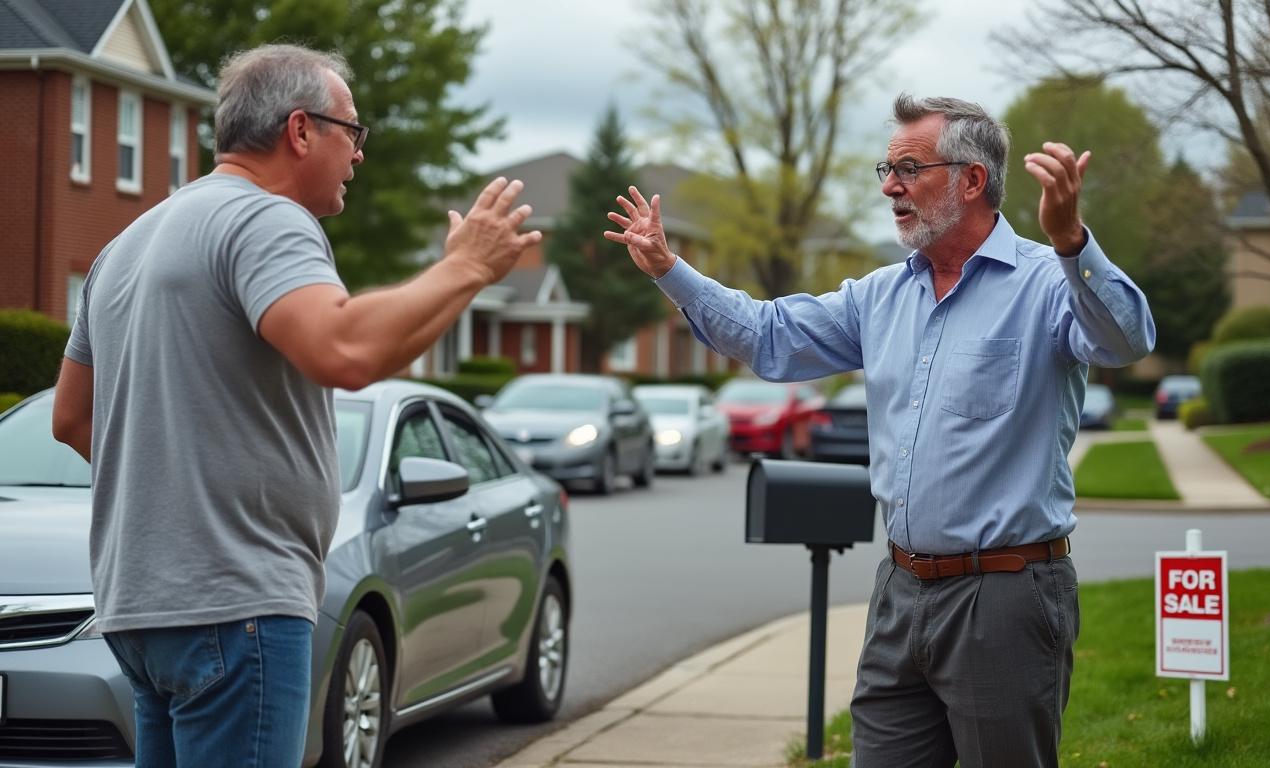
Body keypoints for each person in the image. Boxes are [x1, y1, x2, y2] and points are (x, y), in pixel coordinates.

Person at [604, 94, 1155, 767]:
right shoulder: (881, 297)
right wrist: (670, 269)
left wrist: (1072, 243)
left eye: (908, 167)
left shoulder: (1044, 283)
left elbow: (1126, 339)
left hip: (1005, 598)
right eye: (886, 168)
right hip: (900, 592)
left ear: (971, 180)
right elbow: (770, 336)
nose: (890, 186)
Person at [50, 43, 539, 765]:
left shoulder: (126, 244)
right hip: (236, 603)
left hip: (138, 609)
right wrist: (464, 265)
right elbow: (344, 352)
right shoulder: (263, 220)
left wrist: (183, 485)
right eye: (353, 132)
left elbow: (70, 418)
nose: (358, 155)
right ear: (300, 130)